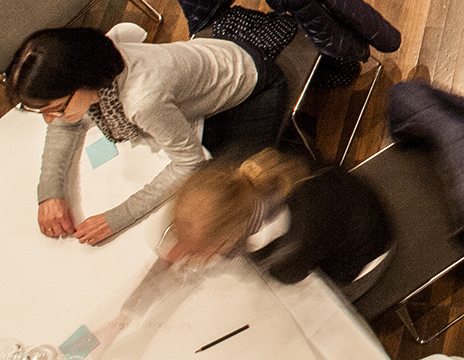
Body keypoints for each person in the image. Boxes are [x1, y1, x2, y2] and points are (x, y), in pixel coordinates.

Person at [9, 26, 285, 244]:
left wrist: (117, 218)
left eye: (55, 108)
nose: (50, 119)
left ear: (83, 81)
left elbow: (189, 162)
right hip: (215, 62)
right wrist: (50, 192)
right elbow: (66, 125)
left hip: (256, 87)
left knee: (229, 208)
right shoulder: (98, 58)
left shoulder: (142, 102)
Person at [167, 151, 393, 292]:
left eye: (209, 253)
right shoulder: (243, 175)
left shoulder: (285, 255)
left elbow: (292, 277)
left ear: (230, 238)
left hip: (365, 255)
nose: (203, 260)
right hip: (353, 198)